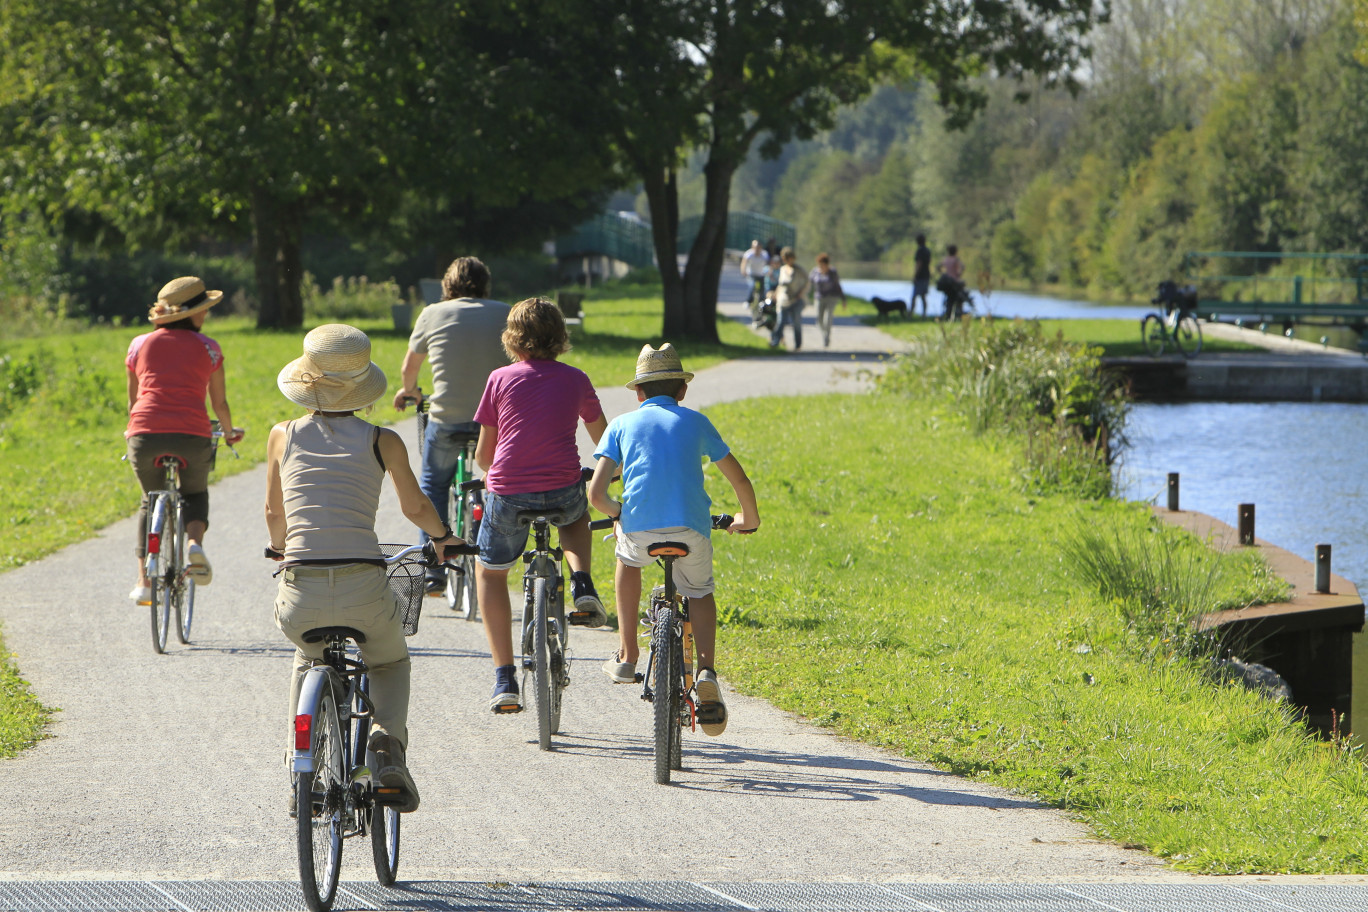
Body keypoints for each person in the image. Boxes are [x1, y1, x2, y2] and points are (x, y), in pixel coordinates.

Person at [266, 324, 462, 814]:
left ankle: (301, 769)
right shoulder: (383, 441)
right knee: (389, 661)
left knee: (306, 654)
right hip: (364, 585)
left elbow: (275, 516)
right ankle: (385, 747)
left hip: (301, 588)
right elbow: (416, 507)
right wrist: (442, 538)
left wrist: (279, 548)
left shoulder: (281, 436)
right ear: (362, 388)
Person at [588, 343, 760, 736]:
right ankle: (706, 671)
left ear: (638, 393)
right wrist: (748, 518)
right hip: (691, 528)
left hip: (640, 528)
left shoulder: (620, 425)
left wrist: (619, 515)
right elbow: (739, 478)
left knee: (628, 560)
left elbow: (596, 496)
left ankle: (628, 652)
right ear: (682, 390)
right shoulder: (697, 422)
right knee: (698, 591)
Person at [472, 297, 608, 713]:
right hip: (563, 488)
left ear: (512, 339)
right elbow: (604, 439)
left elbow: (483, 456)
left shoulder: (499, 378)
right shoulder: (576, 378)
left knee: (491, 574)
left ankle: (504, 678)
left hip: (510, 493)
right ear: (560, 337)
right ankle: (581, 580)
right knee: (576, 514)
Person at [392, 256, 510, 594]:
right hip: (496, 420)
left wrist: (410, 392)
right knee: (496, 482)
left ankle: (433, 569)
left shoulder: (432, 313)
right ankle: (495, 555)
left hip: (447, 417)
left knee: (434, 483)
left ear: (448, 286)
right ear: (485, 284)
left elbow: (409, 369)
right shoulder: (505, 311)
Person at [125, 277, 244, 604]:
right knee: (194, 492)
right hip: (192, 434)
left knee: (150, 500)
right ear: (190, 314)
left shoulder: (138, 345)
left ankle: (143, 583)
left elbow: (133, 402)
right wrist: (230, 433)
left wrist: (134, 429)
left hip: (144, 433)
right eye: (203, 310)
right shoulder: (209, 347)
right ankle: (194, 545)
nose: (206, 317)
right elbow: (219, 404)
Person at [768, 246, 809, 351]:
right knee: (781, 321)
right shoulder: (782, 269)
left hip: (796, 300)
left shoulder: (799, 270)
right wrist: (775, 295)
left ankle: (798, 345)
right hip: (783, 300)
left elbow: (808, 283)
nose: (786, 260)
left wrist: (801, 293)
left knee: (796, 323)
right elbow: (780, 285)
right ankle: (775, 342)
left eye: (788, 258)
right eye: (784, 258)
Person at [808, 253, 847, 348]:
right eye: (819, 264)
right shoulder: (815, 272)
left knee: (828, 318)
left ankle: (827, 336)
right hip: (819, 297)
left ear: (827, 264)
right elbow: (808, 283)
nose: (821, 266)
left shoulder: (833, 272)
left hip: (832, 297)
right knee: (819, 319)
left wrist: (843, 299)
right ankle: (824, 333)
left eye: (823, 264)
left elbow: (838, 286)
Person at [739, 239, 770, 324]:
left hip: (761, 274)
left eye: (758, 248)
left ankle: (762, 305)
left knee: (762, 291)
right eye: (755, 248)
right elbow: (744, 263)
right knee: (752, 285)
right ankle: (748, 301)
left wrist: (769, 272)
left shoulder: (764, 255)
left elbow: (768, 264)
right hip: (752, 274)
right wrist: (743, 271)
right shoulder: (749, 254)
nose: (757, 250)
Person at [937, 244, 967, 319]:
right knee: (959, 297)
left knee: (949, 297)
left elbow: (938, 267)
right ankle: (959, 312)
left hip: (947, 281)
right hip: (955, 282)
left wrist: (943, 274)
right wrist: (959, 274)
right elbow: (963, 267)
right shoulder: (956, 259)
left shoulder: (946, 259)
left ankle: (948, 312)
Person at [911, 234, 932, 318]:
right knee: (923, 296)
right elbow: (929, 261)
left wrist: (915, 275)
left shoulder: (919, 251)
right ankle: (924, 314)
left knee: (914, 296)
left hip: (920, 276)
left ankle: (910, 314)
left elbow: (919, 263)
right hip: (926, 275)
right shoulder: (927, 250)